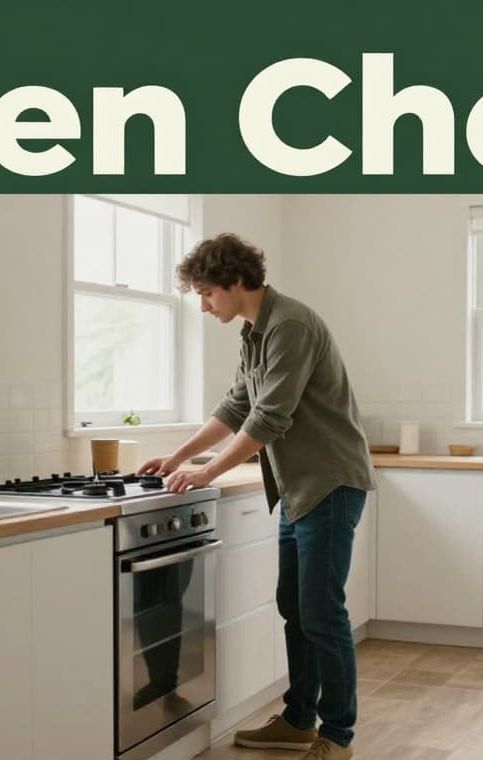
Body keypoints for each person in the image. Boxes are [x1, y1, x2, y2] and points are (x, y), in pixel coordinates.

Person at [138, 233, 374, 760]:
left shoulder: (290, 324)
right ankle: (298, 720)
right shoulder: (254, 332)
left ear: (236, 281)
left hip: (329, 483)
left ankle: (337, 736)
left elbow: (270, 417)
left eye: (205, 294)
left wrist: (210, 473)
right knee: (296, 607)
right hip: (297, 487)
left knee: (321, 611)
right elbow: (236, 404)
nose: (202, 306)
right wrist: (178, 458)